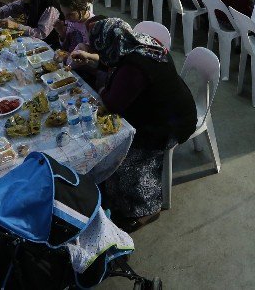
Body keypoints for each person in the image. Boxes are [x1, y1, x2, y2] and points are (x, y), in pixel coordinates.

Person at [68, 19, 197, 232]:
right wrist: (92, 59)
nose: (96, 50)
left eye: (98, 47)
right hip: (167, 109)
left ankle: (147, 210)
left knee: (120, 157)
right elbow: (115, 62)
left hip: (169, 124)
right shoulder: (139, 43)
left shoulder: (135, 67)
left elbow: (112, 103)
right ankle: (114, 195)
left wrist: (101, 89)